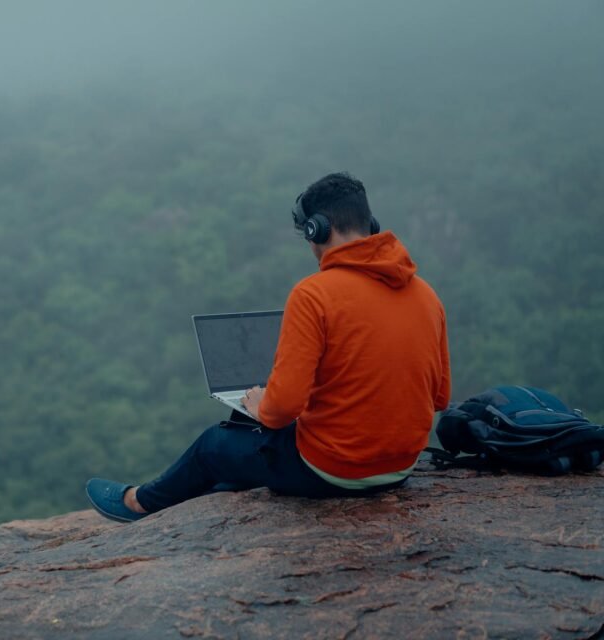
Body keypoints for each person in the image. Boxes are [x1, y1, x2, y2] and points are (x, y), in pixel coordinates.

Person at [86, 172, 451, 522]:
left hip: (333, 472)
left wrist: (264, 406)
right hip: (400, 468)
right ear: (370, 223)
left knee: (215, 443)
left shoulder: (313, 295)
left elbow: (281, 411)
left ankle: (137, 503)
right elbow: (439, 397)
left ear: (316, 229)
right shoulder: (426, 295)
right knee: (249, 448)